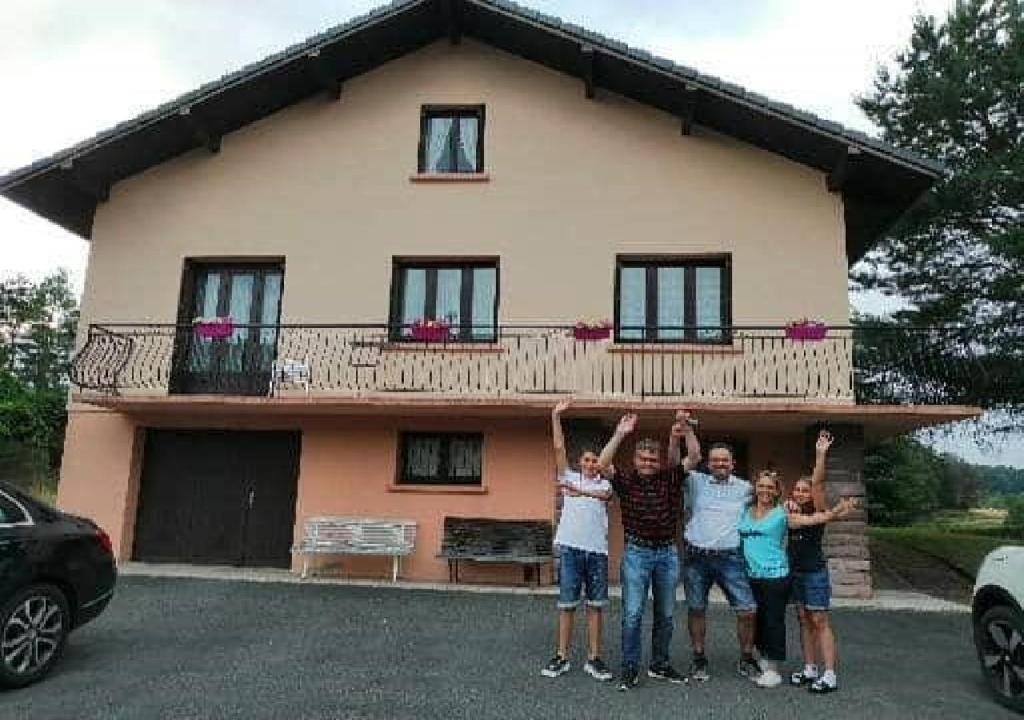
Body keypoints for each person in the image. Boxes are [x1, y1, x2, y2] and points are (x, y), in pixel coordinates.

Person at [599, 410, 701, 691]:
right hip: (637, 554)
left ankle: (659, 664)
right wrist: (620, 433)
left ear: (658, 462)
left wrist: (685, 428)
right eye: (642, 459)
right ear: (635, 460)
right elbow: (602, 463)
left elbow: (693, 457)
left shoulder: (670, 478)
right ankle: (630, 668)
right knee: (632, 614)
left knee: (666, 615)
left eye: (652, 460)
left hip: (667, 554)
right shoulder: (626, 481)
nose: (647, 463)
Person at [738, 463, 856, 688]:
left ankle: (810, 672)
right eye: (760, 486)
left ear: (776, 491)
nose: (764, 490)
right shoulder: (747, 510)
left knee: (796, 621)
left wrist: (837, 511)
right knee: (784, 620)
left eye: (769, 487)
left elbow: (815, 517)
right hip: (758, 575)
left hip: (781, 575)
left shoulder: (785, 512)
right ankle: (807, 668)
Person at [541, 400, 614, 681]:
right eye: (586, 459)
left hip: (597, 552)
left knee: (596, 607)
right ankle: (562, 656)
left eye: (595, 460)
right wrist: (555, 416)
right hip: (571, 549)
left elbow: (605, 497)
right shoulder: (568, 476)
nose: (590, 464)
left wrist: (577, 491)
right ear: (579, 462)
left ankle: (594, 659)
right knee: (567, 605)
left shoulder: (605, 484)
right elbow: (559, 447)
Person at [681, 440, 760, 683]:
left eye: (724, 460)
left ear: (733, 464)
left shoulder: (746, 488)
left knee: (748, 610)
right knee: (696, 608)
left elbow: (769, 497)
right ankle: (699, 657)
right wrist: (684, 431)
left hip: (731, 558)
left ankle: (746, 657)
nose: (720, 464)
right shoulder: (695, 481)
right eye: (715, 460)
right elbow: (677, 463)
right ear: (708, 463)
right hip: (697, 556)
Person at [787, 429, 858, 694]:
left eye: (804, 489)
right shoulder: (788, 510)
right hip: (795, 573)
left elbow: (817, 481)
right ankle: (809, 668)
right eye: (797, 489)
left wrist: (820, 454)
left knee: (820, 620)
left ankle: (829, 673)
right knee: (804, 620)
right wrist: (837, 512)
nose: (801, 492)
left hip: (814, 572)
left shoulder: (817, 509)